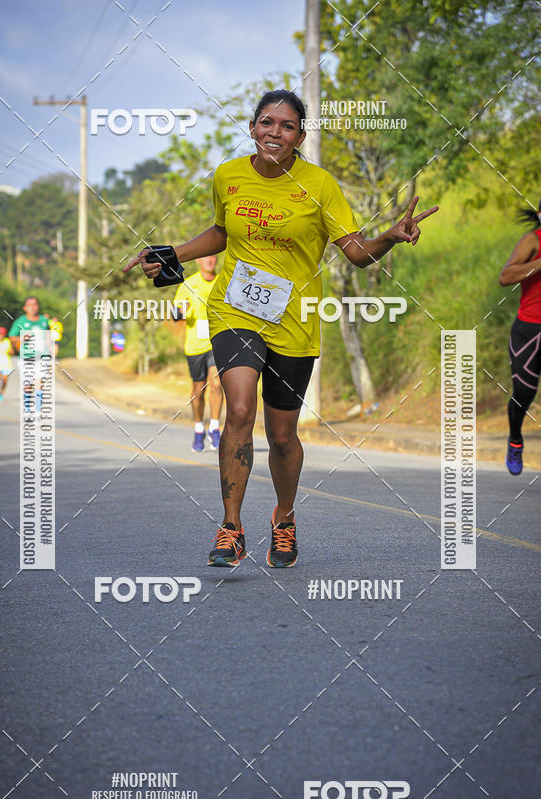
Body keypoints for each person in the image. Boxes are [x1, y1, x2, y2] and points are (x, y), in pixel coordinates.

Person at [124, 89, 438, 568]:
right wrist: (172, 253)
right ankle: (231, 527)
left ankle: (284, 518)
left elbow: (355, 253)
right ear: (252, 128)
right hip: (235, 310)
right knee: (239, 409)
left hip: (294, 320)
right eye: (267, 123)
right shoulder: (227, 175)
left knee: (283, 436)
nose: (275, 132)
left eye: (287, 126)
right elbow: (222, 232)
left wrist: (389, 238)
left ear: (301, 137)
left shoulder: (320, 185)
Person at [499, 190, 541, 475]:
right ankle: (515, 440)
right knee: (524, 393)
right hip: (529, 330)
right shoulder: (533, 240)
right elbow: (506, 277)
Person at [172, 255, 223, 451]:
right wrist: (180, 312)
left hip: (216, 342)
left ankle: (215, 427)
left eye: (212, 256)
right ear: (198, 261)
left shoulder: (223, 282)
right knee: (198, 390)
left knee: (217, 384)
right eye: (205, 258)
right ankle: (199, 428)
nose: (209, 260)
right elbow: (175, 315)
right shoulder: (188, 285)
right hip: (194, 345)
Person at [8, 296, 50, 413]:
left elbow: (48, 335)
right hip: (26, 358)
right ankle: (27, 409)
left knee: (39, 383)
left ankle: (37, 411)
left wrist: (52, 347)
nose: (33, 307)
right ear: (25, 308)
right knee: (28, 386)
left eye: (35, 304)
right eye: (30, 305)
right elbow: (11, 337)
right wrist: (22, 338)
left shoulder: (44, 321)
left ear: (38, 306)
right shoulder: (20, 321)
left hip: (42, 357)